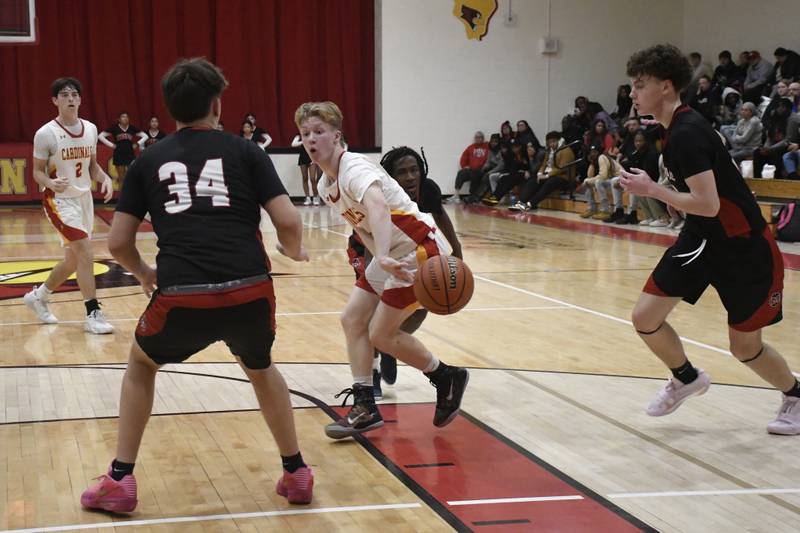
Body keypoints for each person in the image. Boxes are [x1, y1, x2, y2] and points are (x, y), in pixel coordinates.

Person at [79, 59, 314, 512]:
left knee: (142, 364)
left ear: (170, 110)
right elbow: (288, 219)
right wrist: (293, 248)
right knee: (261, 366)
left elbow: (119, 242)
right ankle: (296, 470)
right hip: (249, 290)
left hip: (182, 295)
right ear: (218, 105)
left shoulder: (149, 159)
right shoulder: (247, 152)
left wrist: (146, 273)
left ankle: (120, 479)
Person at [621, 44, 800, 435]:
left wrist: (655, 191)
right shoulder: (674, 129)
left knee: (744, 347)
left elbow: (709, 203)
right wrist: (674, 202)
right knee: (645, 317)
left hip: (743, 249)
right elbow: (701, 202)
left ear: (666, 87)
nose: (632, 94)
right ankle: (685, 377)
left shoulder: (687, 132)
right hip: (702, 238)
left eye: (640, 85)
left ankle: (796, 395)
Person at [295, 101, 469, 439]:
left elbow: (377, 208)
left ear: (336, 135)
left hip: (420, 250)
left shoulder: (355, 169)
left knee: (380, 334)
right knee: (352, 319)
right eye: (305, 134)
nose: (311, 140)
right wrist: (380, 256)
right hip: (392, 254)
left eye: (318, 132)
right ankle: (365, 405)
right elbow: (362, 228)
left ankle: (446, 376)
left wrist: (386, 255)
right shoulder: (325, 186)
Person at [364, 146, 464, 392]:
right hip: (370, 248)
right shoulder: (380, 194)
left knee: (421, 305)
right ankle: (372, 373)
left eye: (414, 170)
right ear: (390, 177)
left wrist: (456, 248)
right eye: (402, 172)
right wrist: (372, 269)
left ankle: (391, 344)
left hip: (407, 252)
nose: (410, 177)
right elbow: (369, 234)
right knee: (372, 316)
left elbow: (440, 215)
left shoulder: (428, 190)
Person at [24, 77, 115, 334]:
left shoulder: (90, 129)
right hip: (59, 201)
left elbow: (93, 166)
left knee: (73, 261)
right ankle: (93, 314)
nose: (71, 99)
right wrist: (51, 183)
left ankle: (39, 296)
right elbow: (37, 173)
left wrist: (104, 177)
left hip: (84, 199)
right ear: (55, 101)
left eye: (75, 94)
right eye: (65, 95)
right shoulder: (45, 134)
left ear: (80, 99)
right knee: (86, 252)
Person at [509, 130, 576, 212]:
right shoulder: (549, 150)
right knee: (533, 180)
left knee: (549, 183)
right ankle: (521, 202)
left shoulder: (566, 150)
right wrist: (540, 173)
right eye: (550, 142)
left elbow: (561, 168)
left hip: (563, 177)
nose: (552, 144)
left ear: (559, 140)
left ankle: (530, 204)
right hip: (550, 174)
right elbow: (544, 164)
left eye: (554, 141)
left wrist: (547, 175)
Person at [99, 111, 146, 187]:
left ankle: (131, 195)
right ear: (119, 119)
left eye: (127, 117)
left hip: (130, 153)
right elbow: (100, 136)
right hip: (119, 153)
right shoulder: (115, 128)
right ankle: (122, 198)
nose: (125, 118)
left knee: (132, 176)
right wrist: (112, 145)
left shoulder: (132, 128)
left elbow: (145, 136)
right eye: (123, 117)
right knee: (121, 178)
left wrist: (137, 144)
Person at [453, 131, 489, 202]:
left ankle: (473, 196)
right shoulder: (470, 148)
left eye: (480, 137)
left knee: (475, 174)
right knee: (461, 173)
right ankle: (456, 195)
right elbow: (463, 158)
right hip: (472, 169)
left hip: (482, 170)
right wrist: (465, 166)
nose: (478, 139)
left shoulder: (487, 147)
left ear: (483, 138)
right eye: (477, 137)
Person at [291, 134, 320, 205]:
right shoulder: (299, 135)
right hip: (303, 157)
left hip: (312, 157)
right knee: (304, 178)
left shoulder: (313, 134)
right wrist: (303, 142)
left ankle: (316, 197)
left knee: (313, 178)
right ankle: (308, 198)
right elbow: (293, 144)